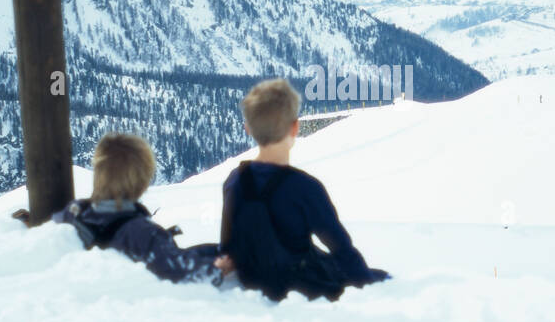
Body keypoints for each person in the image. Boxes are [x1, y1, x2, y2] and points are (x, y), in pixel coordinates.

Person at [218, 78, 389, 301]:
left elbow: (228, 245)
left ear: (248, 129)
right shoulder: (306, 187)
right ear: (295, 127)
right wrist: (368, 283)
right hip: (299, 285)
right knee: (380, 276)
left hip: (251, 279)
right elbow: (340, 248)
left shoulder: (234, 180)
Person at [52, 133, 221, 283]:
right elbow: (178, 270)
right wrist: (218, 267)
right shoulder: (144, 234)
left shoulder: (73, 215)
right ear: (141, 180)